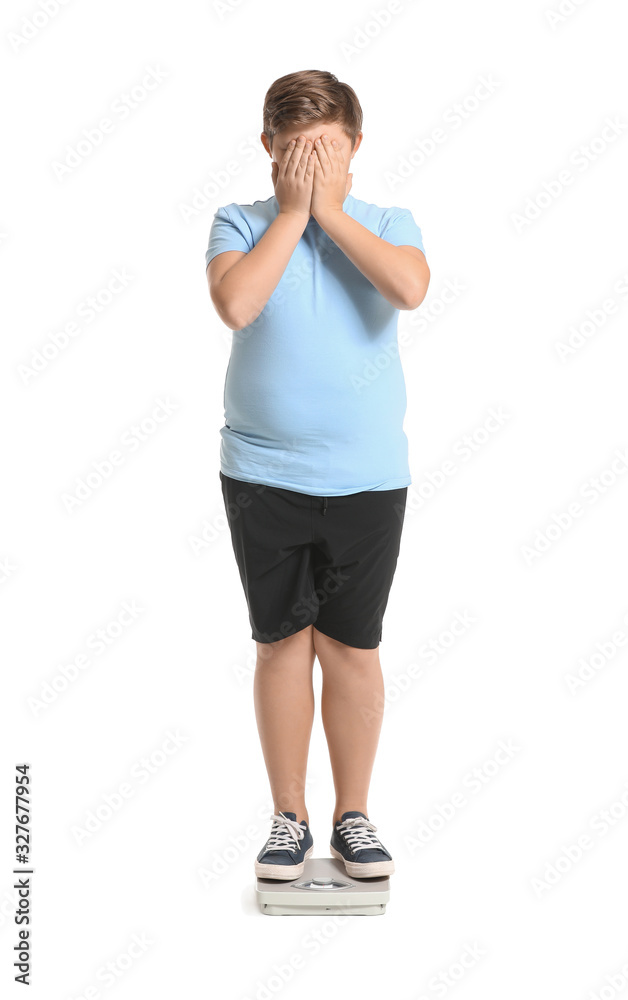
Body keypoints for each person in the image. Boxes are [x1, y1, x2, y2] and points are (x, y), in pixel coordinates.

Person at [205, 70, 430, 881]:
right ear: (267, 147)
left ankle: (353, 816)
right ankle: (288, 817)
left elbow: (409, 288)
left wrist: (328, 211)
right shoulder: (239, 222)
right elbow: (236, 305)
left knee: (351, 646)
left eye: (325, 152)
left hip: (367, 478)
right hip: (263, 476)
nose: (308, 165)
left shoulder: (388, 222)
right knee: (280, 645)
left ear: (355, 148)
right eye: (295, 151)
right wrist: (294, 214)